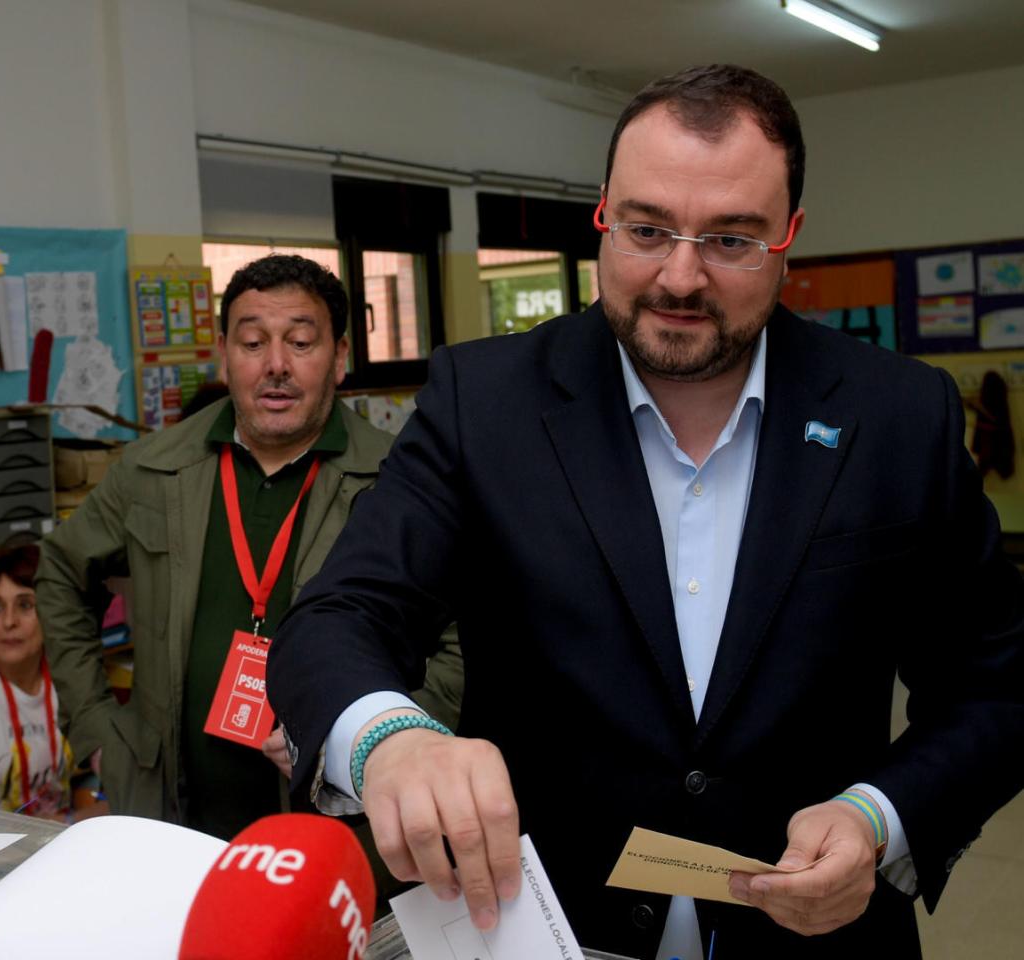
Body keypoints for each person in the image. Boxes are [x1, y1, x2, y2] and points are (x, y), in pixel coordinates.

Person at [266, 64, 1024, 959]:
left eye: (732, 240)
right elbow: (340, 615)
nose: (678, 276)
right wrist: (392, 741)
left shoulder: (898, 415)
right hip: (540, 931)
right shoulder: (487, 403)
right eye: (646, 229)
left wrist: (879, 818)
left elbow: (998, 680)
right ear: (603, 213)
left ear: (790, 236)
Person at [38, 254, 464, 843]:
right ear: (224, 353)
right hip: (170, 820)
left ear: (340, 357)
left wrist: (374, 742)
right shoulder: (155, 469)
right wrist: (94, 728)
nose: (276, 366)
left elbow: (462, 641)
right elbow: (60, 572)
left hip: (340, 829)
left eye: (301, 342)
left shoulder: (397, 479)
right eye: (253, 342)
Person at [0, 542, 98, 819]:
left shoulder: (70, 670)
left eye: (25, 605)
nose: (9, 621)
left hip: (63, 840)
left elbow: (101, 785)